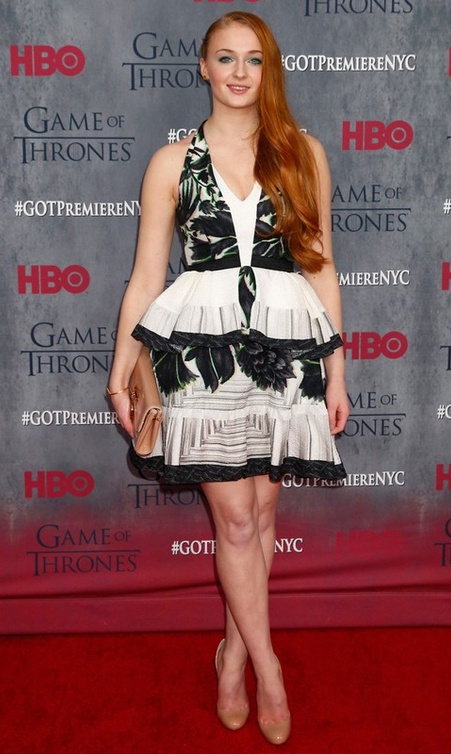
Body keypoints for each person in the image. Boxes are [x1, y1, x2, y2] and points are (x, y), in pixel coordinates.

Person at [108, 11, 348, 745]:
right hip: (198, 352)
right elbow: (147, 275)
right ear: (203, 68)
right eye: (225, 58)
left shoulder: (302, 153)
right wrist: (120, 373)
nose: (239, 72)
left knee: (263, 516)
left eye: (253, 59)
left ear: (268, 69)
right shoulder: (171, 163)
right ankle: (268, 670)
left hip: (285, 349)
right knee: (237, 519)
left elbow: (321, 267)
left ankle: (233, 653)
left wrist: (337, 369)